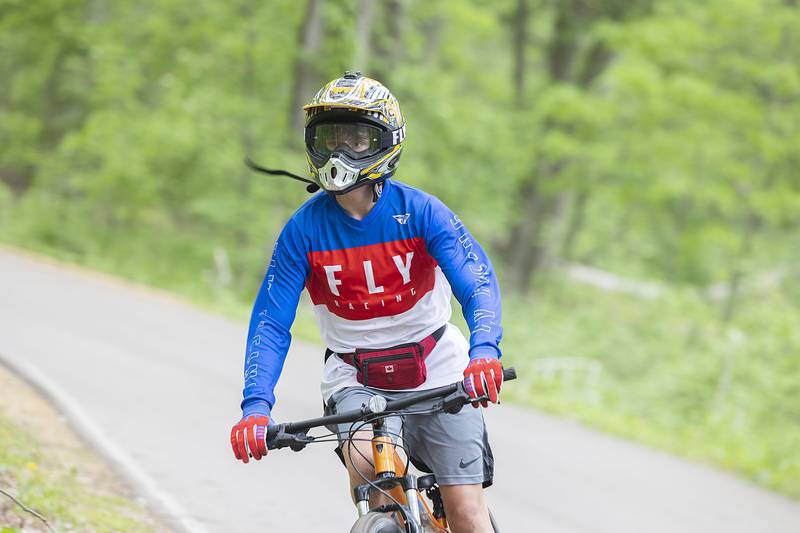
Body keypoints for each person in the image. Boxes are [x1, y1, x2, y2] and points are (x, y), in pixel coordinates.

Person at [230, 72, 504, 532]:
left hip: (438, 368)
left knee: (467, 512)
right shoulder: (303, 230)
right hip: (356, 376)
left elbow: (477, 284)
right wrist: (255, 407)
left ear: (387, 143)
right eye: (330, 138)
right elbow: (271, 322)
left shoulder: (422, 212)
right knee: (367, 471)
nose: (340, 153)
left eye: (357, 139)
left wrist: (484, 353)